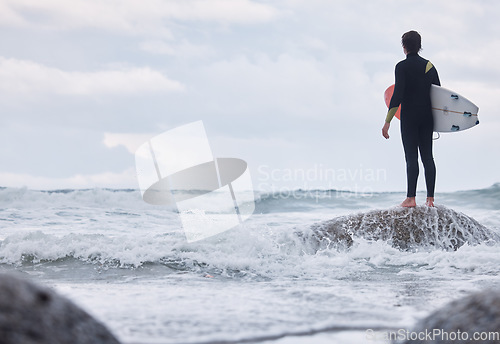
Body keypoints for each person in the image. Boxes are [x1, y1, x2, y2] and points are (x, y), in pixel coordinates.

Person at [382, 31, 441, 208]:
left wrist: (387, 122)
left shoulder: (401, 67)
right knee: (428, 158)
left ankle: (411, 199)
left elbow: (397, 95)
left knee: (411, 158)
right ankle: (430, 200)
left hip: (409, 117)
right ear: (419, 45)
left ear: (404, 47)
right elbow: (439, 93)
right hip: (427, 117)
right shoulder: (429, 66)